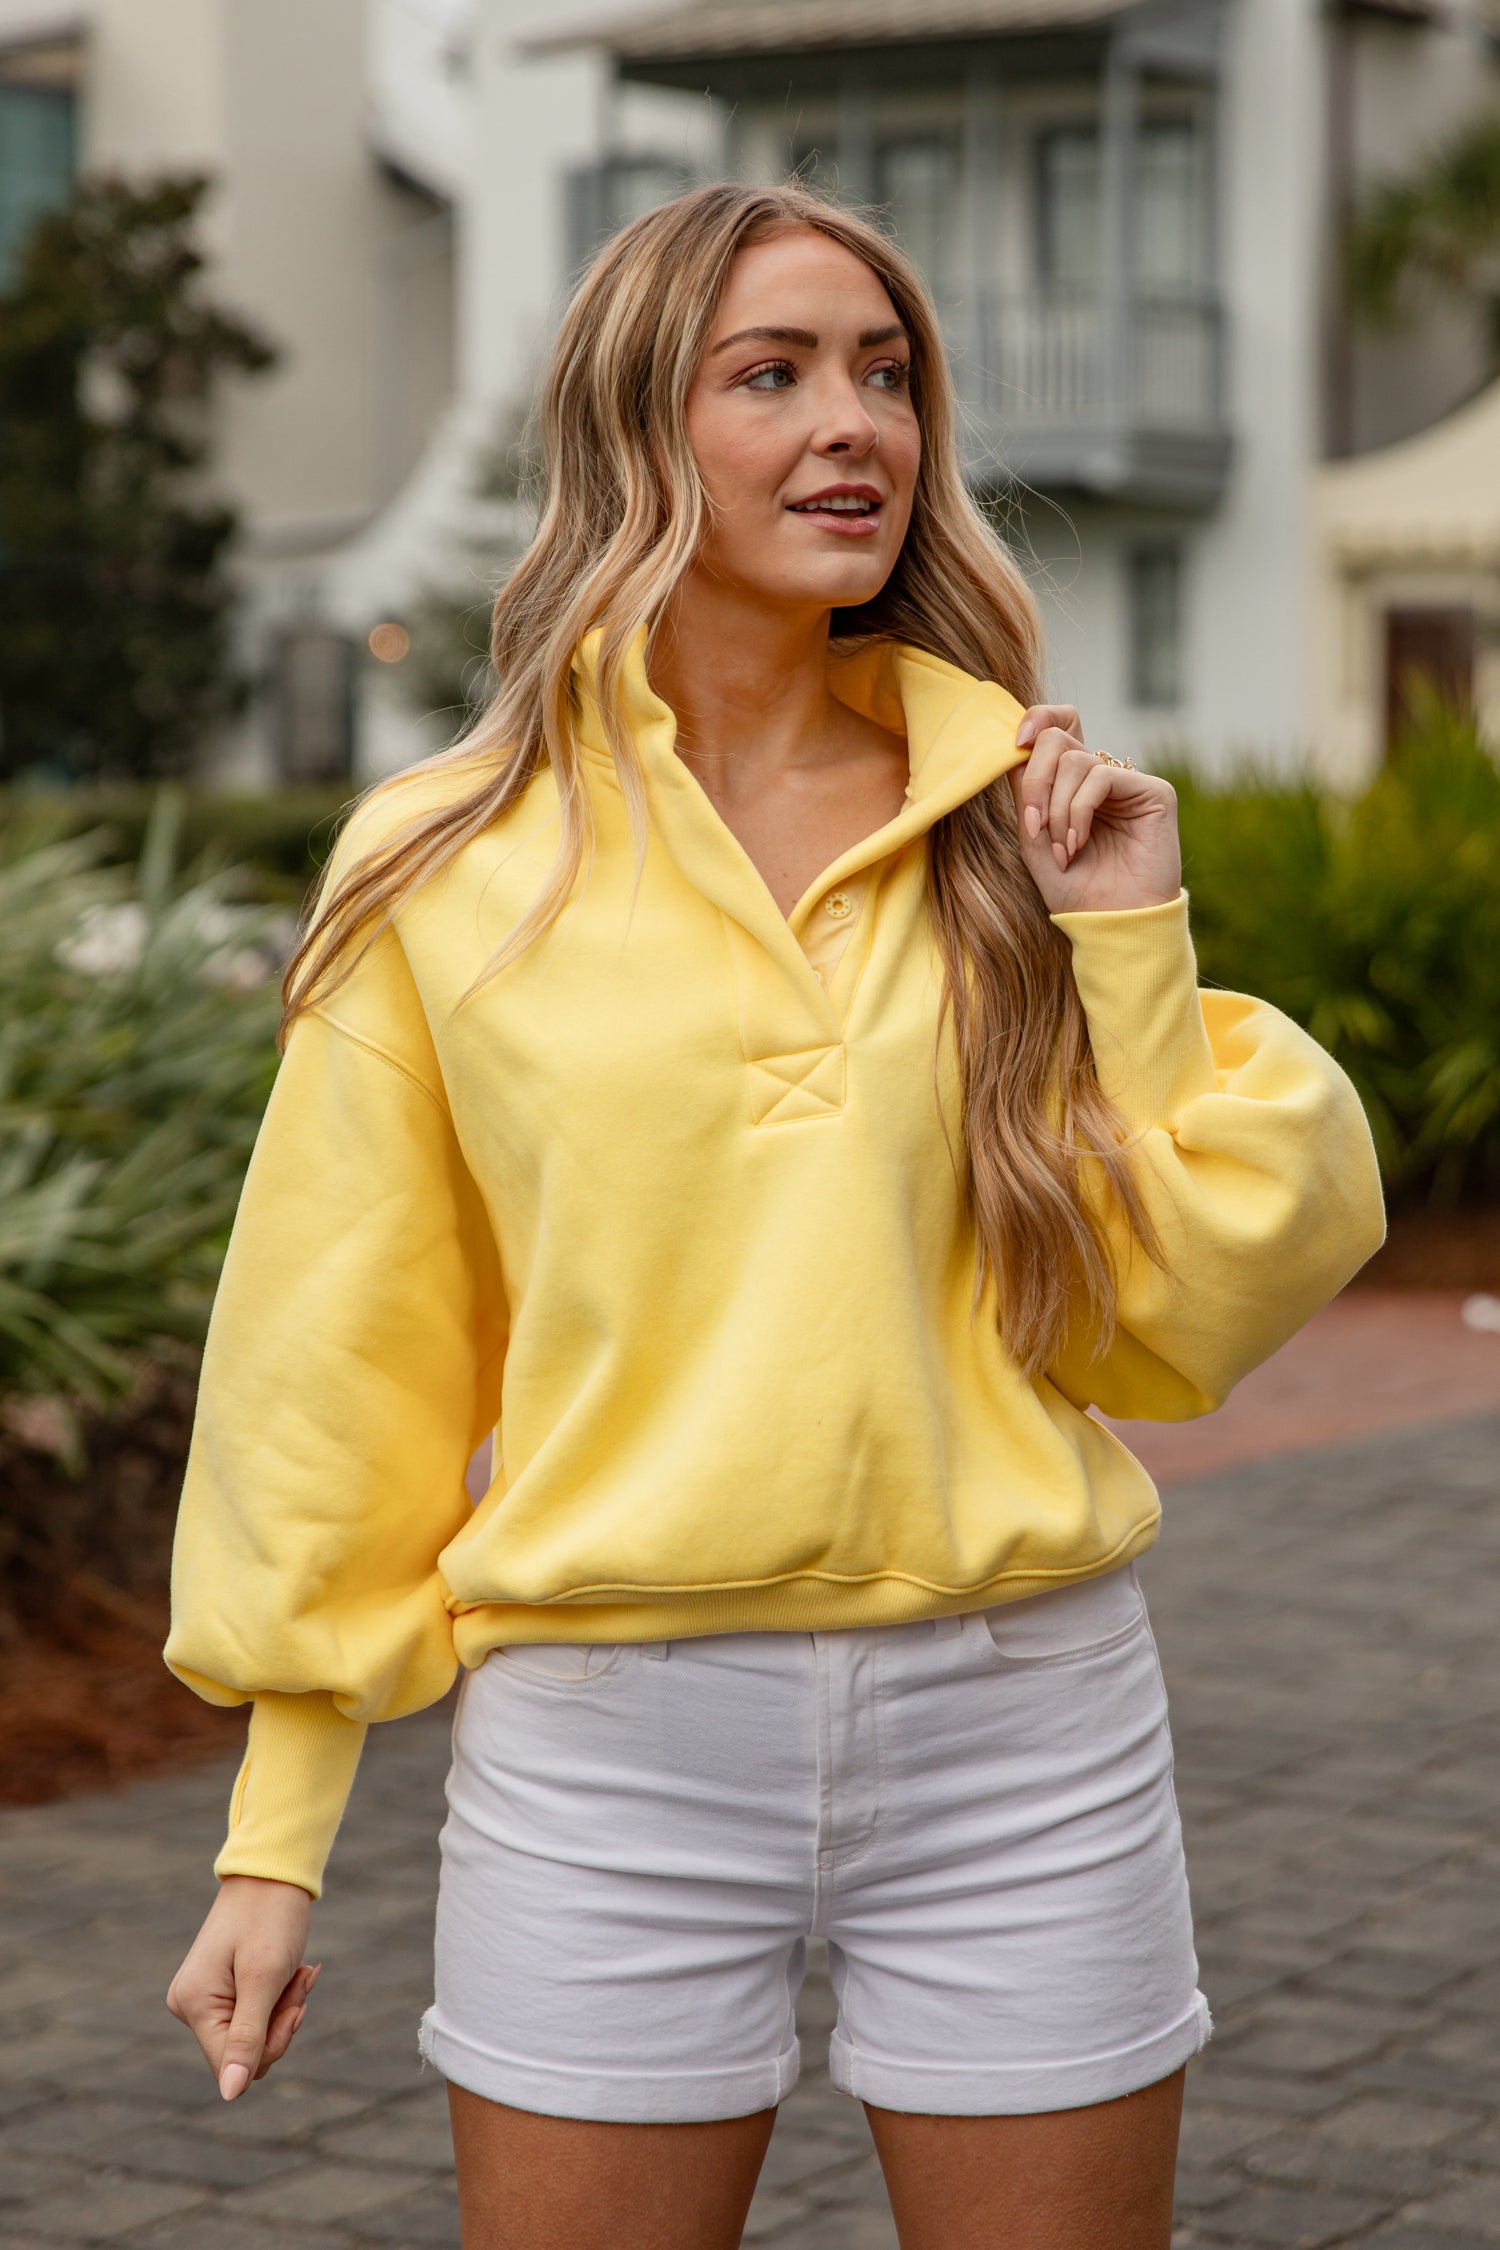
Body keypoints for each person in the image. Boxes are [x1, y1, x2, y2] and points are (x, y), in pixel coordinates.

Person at [164, 182, 1384, 2250]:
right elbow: (335, 1358)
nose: (859, 427)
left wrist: (1129, 942)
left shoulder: (1010, 818)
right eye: (777, 373)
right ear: (643, 431)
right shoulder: (449, 861)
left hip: (1028, 1731)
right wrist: (275, 1842)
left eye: (888, 376)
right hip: (608, 1756)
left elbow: (1167, 1327)